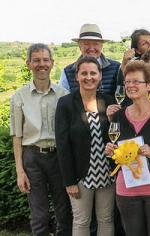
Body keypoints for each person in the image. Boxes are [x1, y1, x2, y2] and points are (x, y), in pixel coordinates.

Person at [104, 61, 150, 236]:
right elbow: (118, 151)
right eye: (127, 82)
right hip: (127, 190)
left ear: (149, 85)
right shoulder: (118, 116)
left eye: (136, 81)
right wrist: (112, 151)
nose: (130, 85)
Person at [10, 43, 71, 236]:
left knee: (63, 211)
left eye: (45, 60)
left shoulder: (63, 95)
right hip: (32, 158)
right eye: (36, 60)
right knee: (39, 213)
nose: (41, 64)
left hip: (58, 157)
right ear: (28, 64)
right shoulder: (19, 97)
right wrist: (20, 171)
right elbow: (17, 136)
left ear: (52, 63)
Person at [56, 56, 117, 236]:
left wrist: (114, 119)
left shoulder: (108, 100)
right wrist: (69, 181)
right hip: (80, 175)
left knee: (106, 219)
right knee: (82, 221)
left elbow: (118, 133)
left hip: (107, 172)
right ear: (77, 76)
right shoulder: (66, 103)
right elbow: (62, 144)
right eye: (84, 73)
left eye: (93, 73)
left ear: (99, 76)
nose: (88, 77)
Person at [59, 23, 120, 95]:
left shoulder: (117, 68)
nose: (91, 48)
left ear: (101, 46)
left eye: (95, 44)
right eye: (86, 44)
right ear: (79, 46)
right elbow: (64, 100)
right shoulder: (67, 72)